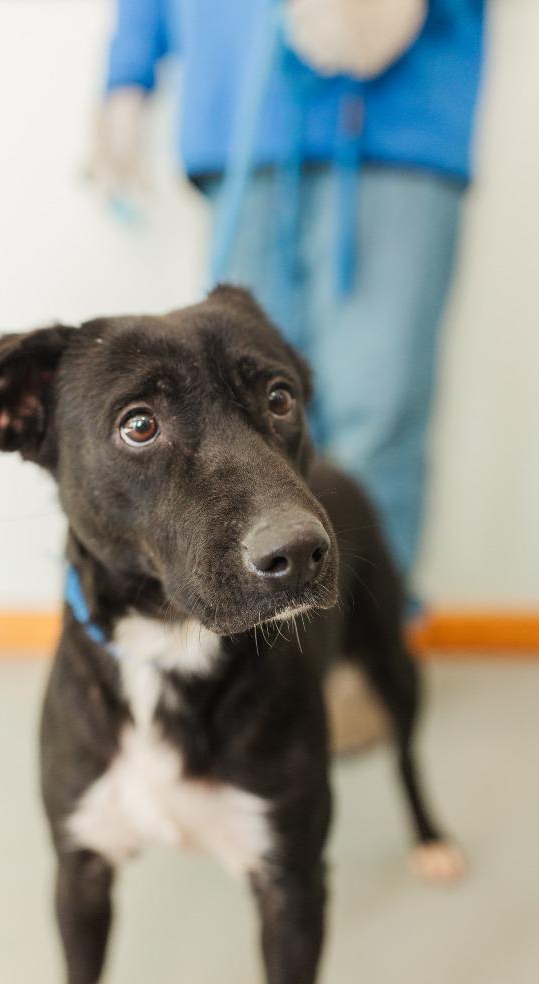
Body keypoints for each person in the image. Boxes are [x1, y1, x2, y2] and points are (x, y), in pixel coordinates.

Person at [95, 0, 486, 599]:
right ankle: (267, 644)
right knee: (234, 416)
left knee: (375, 411)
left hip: (392, 127)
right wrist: (127, 77)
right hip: (239, 134)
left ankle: (366, 647)